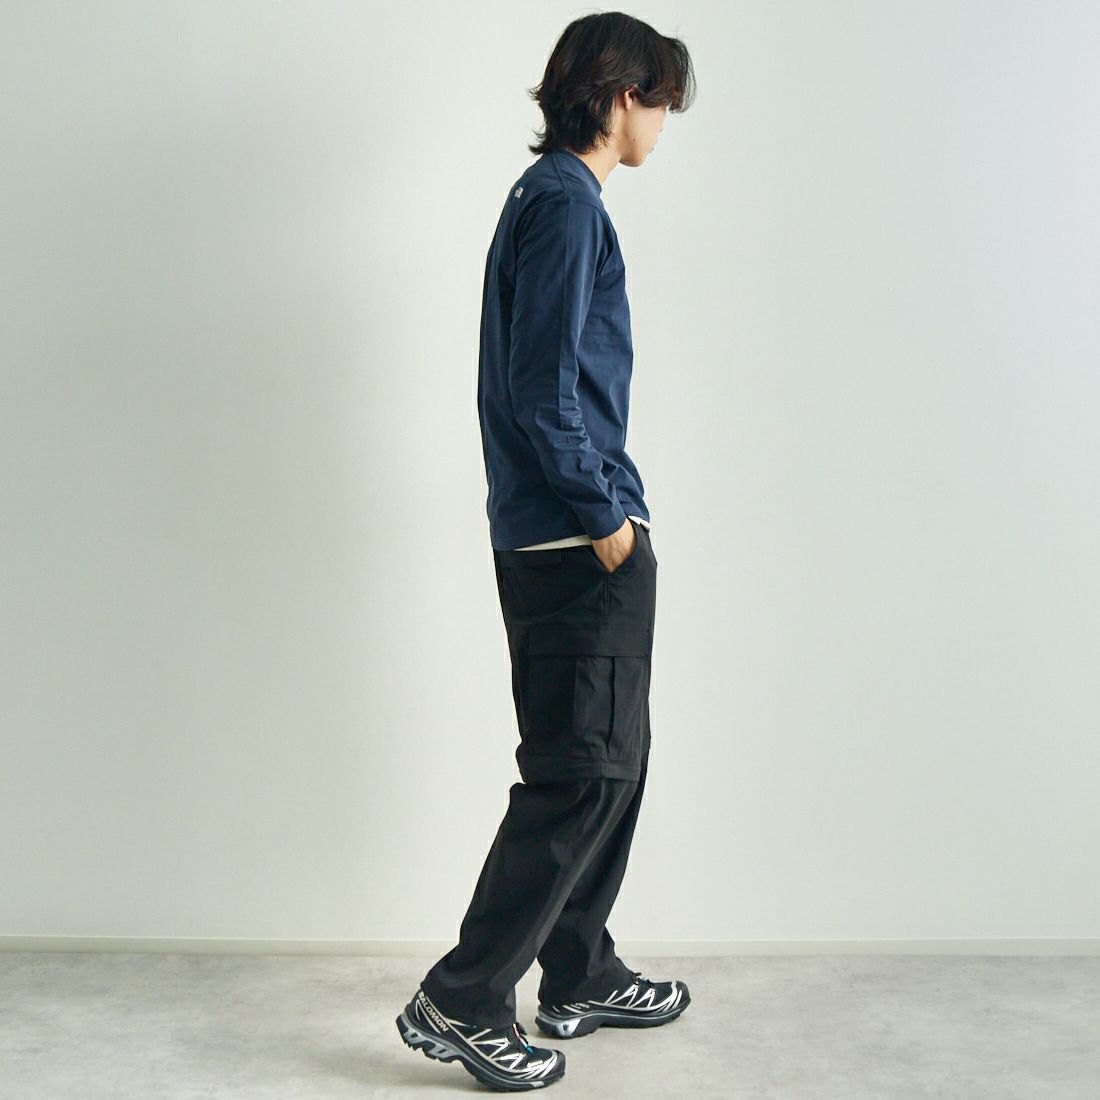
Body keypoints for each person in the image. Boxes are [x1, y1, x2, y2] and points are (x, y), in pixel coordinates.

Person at [396, 12, 696, 1091]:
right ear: (621, 96)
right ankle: (463, 995)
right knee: (578, 776)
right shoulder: (566, 206)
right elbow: (541, 388)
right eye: (660, 102)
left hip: (562, 533)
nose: (663, 124)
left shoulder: (548, 201)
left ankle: (577, 969)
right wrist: (606, 517)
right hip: (575, 539)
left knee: (610, 764)